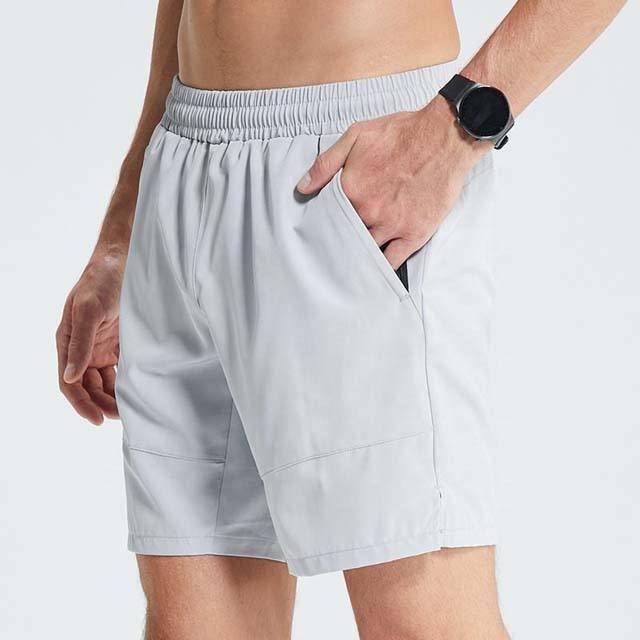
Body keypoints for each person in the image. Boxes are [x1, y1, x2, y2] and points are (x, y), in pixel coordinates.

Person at [56, 1, 626, 638]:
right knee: (193, 627)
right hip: (183, 162)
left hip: (351, 163)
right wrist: (124, 224)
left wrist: (456, 127)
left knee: (422, 622)